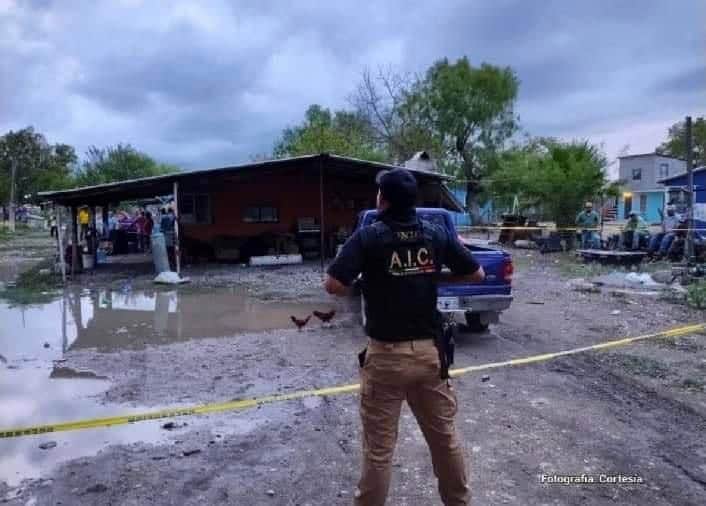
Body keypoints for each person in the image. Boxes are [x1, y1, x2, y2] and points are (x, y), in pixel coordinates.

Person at [325, 168, 484, 505]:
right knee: (445, 440)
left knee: (379, 450)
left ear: (382, 199)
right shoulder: (436, 232)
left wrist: (374, 280)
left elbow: (334, 285)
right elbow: (476, 272)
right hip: (429, 356)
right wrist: (430, 278)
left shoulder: (369, 236)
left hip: (385, 358)